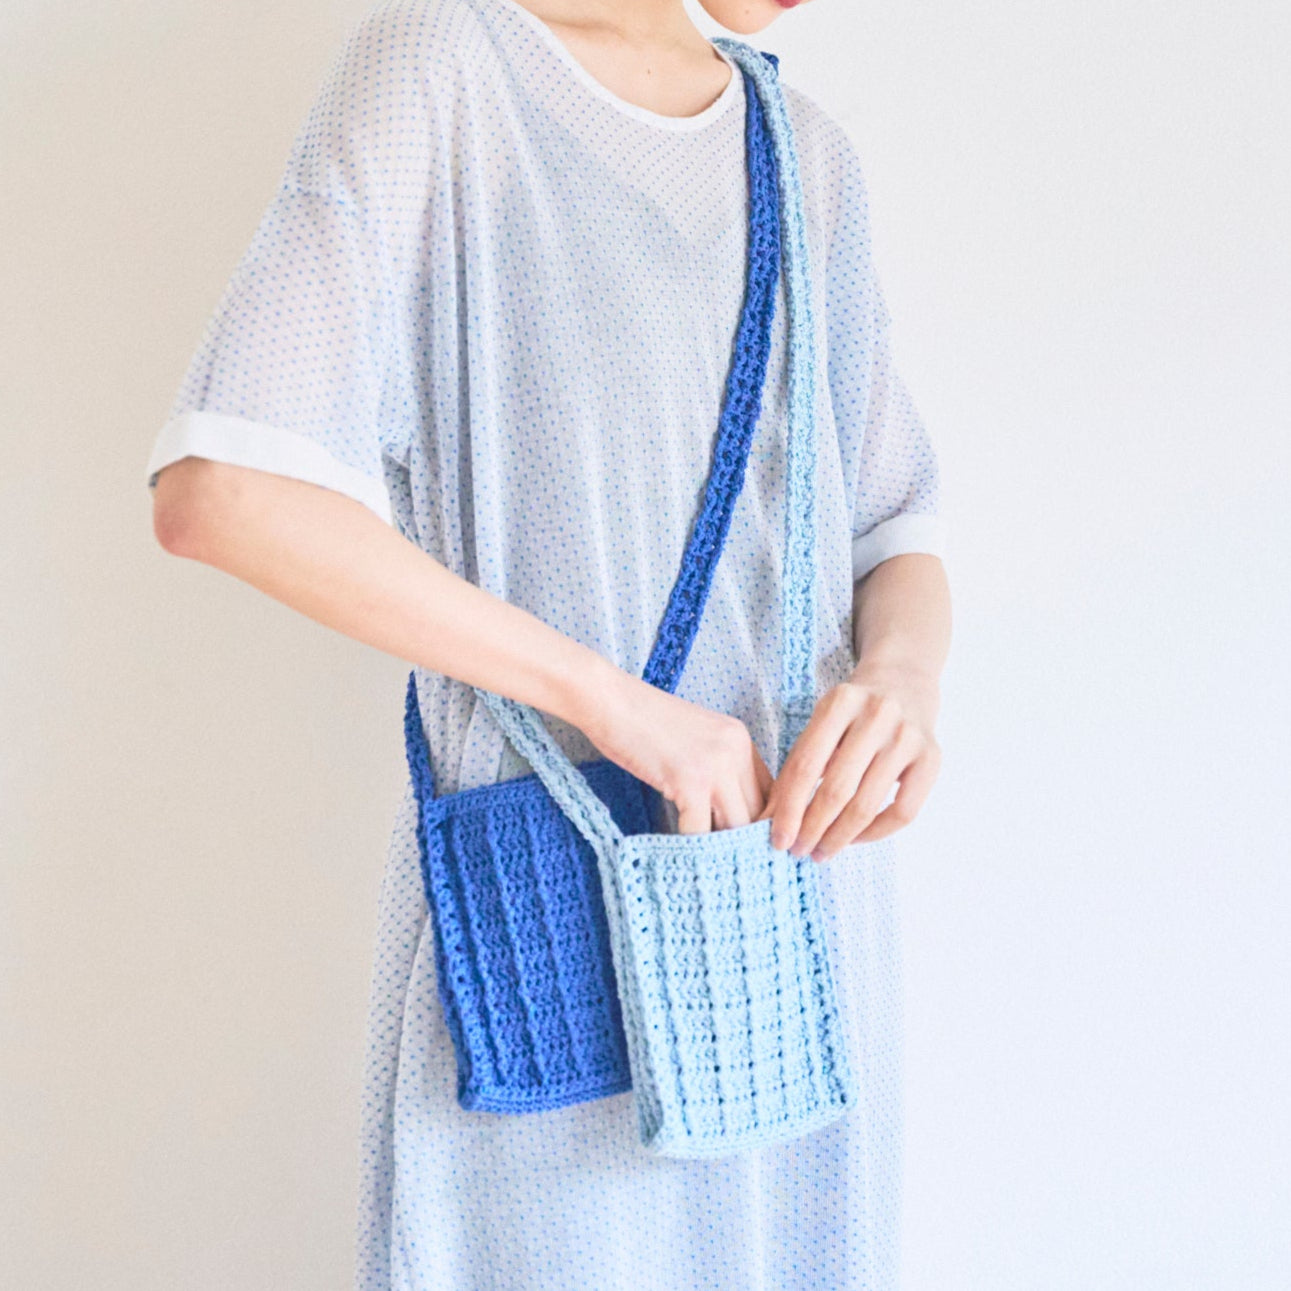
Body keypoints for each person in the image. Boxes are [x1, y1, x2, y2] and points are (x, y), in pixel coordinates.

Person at [145, 0, 952, 1285]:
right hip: (551, 908)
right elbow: (227, 493)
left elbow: (888, 526)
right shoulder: (447, 66)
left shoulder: (803, 153)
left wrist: (901, 679)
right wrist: (617, 706)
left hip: (791, 924)